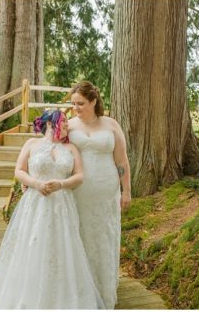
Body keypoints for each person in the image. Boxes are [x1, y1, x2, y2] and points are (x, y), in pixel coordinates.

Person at [0, 109, 103, 309]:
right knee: (33, 246)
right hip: (35, 205)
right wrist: (36, 183)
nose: (67, 125)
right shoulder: (31, 144)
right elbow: (19, 170)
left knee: (63, 248)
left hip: (62, 206)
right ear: (50, 123)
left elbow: (79, 176)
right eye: (63, 122)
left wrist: (62, 184)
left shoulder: (72, 149)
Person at [66, 81, 132, 309]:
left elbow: (122, 161)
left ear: (94, 101)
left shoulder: (111, 125)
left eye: (81, 103)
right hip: (79, 192)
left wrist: (126, 192)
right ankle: (82, 289)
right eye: (73, 103)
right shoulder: (69, 126)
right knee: (81, 235)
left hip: (106, 192)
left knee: (104, 236)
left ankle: (104, 287)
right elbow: (52, 151)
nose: (76, 108)